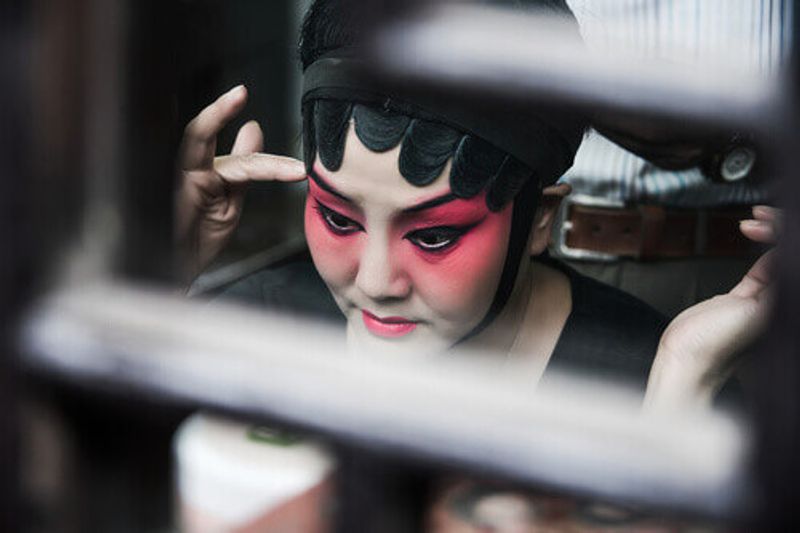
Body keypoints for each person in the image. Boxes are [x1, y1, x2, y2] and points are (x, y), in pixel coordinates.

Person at [175, 0, 773, 407]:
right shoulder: (253, 323)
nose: (378, 281)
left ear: (540, 220)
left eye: (433, 235)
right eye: (337, 216)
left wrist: (680, 386)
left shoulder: (648, 382)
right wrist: (165, 267)